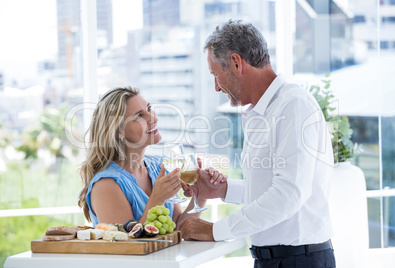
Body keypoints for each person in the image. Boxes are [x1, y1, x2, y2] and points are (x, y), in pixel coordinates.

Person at [178, 20, 336, 268]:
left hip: (300, 261)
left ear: (236, 63)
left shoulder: (293, 105)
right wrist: (222, 191)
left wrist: (215, 230)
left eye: (216, 75)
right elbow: (269, 189)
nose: (216, 87)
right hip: (274, 260)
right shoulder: (261, 113)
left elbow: (288, 195)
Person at [77, 87, 223, 226]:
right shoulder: (106, 185)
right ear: (118, 132)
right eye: (139, 116)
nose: (153, 118)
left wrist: (201, 194)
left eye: (149, 109)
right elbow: (126, 246)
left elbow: (179, 228)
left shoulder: (158, 167)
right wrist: (157, 199)